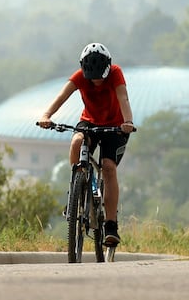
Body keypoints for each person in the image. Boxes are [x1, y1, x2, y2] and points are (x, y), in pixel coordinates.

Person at [37, 42, 135, 246]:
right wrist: (46, 115)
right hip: (90, 122)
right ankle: (76, 192)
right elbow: (61, 96)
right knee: (76, 142)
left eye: (101, 77)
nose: (97, 82)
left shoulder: (116, 73)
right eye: (93, 78)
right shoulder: (79, 76)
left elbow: (123, 97)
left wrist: (128, 122)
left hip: (115, 127)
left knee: (108, 168)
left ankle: (110, 224)